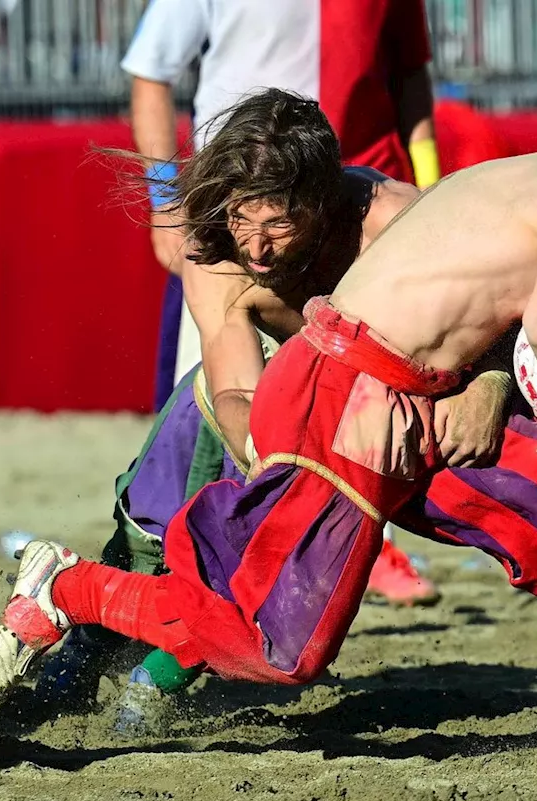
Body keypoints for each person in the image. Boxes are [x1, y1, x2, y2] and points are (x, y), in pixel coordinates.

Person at [0, 61, 537, 762]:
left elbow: (499, 329)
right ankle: (72, 587)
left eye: (276, 216)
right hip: (311, 401)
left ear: (326, 197)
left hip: (405, 393)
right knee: (265, 634)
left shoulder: (409, 203)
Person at [121, 0, 442, 606]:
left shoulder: (388, 217)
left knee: (380, 398)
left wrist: (430, 182)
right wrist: (167, 204)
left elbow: (409, 77)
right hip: (237, 218)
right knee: (207, 427)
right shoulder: (220, 247)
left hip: (339, 219)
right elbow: (151, 71)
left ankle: (359, 539)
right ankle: (157, 574)